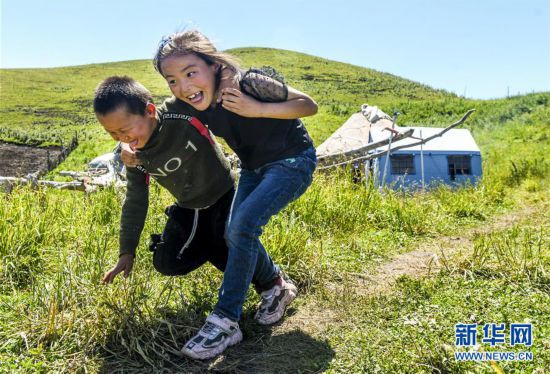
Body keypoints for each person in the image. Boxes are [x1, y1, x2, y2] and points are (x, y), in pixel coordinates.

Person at [93, 76, 293, 359]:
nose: (122, 139)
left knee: (230, 242)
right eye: (113, 134)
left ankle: (273, 284)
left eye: (125, 129)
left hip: (225, 195)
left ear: (150, 111)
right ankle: (229, 252)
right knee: (166, 261)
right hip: (189, 207)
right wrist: (127, 252)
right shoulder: (134, 155)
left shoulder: (179, 112)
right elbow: (136, 200)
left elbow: (205, 87)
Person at [150, 30, 318, 360]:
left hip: (293, 161)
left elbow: (308, 106)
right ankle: (278, 289)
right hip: (255, 168)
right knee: (234, 230)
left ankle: (226, 319)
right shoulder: (195, 103)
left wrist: (255, 108)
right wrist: (130, 144)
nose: (183, 87)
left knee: (241, 227)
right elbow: (158, 116)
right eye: (172, 80)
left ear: (212, 65)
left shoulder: (250, 82)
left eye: (190, 73)